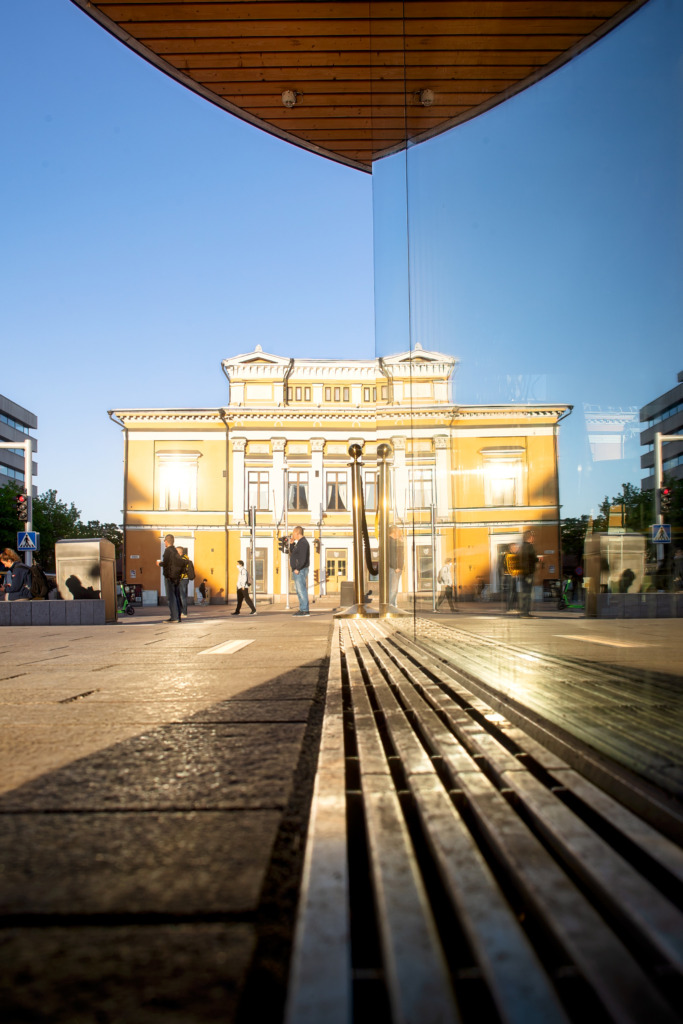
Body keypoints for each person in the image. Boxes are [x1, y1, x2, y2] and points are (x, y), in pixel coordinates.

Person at [156, 534, 183, 622]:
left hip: (169, 576)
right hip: (176, 577)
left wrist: (159, 563)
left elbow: (166, 563)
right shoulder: (175, 551)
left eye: (164, 541)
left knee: (171, 597)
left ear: (166, 542)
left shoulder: (168, 551)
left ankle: (174, 617)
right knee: (176, 596)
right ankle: (178, 616)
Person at [289, 525, 310, 616]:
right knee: (298, 590)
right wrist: (291, 544)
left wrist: (298, 568)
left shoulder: (303, 543)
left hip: (300, 570)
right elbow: (293, 553)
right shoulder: (299, 543)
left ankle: (305, 610)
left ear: (297, 533)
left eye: (293, 533)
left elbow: (303, 558)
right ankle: (302, 609)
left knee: (301, 590)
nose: (292, 534)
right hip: (298, 570)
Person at [517, 529, 538, 617]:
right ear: (530, 538)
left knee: (523, 593)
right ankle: (525, 612)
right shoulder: (529, 547)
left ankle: (522, 612)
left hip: (522, 573)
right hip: (528, 573)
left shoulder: (521, 547)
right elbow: (532, 558)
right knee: (527, 593)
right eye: (533, 537)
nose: (534, 538)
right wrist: (538, 559)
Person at [388, 525, 404, 607]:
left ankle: (392, 604)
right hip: (394, 568)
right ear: (394, 532)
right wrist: (396, 567)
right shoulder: (391, 542)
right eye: (399, 531)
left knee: (394, 589)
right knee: (393, 589)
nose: (400, 533)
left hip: (395, 568)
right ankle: (390, 605)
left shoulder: (393, 541)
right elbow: (393, 555)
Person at [502, 543, 519, 613]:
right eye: (515, 547)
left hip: (514, 575)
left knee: (514, 592)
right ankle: (509, 608)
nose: (517, 548)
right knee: (510, 592)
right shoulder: (507, 555)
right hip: (509, 575)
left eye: (517, 547)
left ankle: (512, 608)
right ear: (511, 548)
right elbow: (507, 566)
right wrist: (512, 574)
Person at [177, 546, 190, 616]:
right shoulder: (185, 558)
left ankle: (184, 612)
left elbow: (181, 570)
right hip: (183, 579)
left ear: (179, 552)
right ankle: (182, 611)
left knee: (182, 596)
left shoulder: (183, 559)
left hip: (183, 579)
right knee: (180, 595)